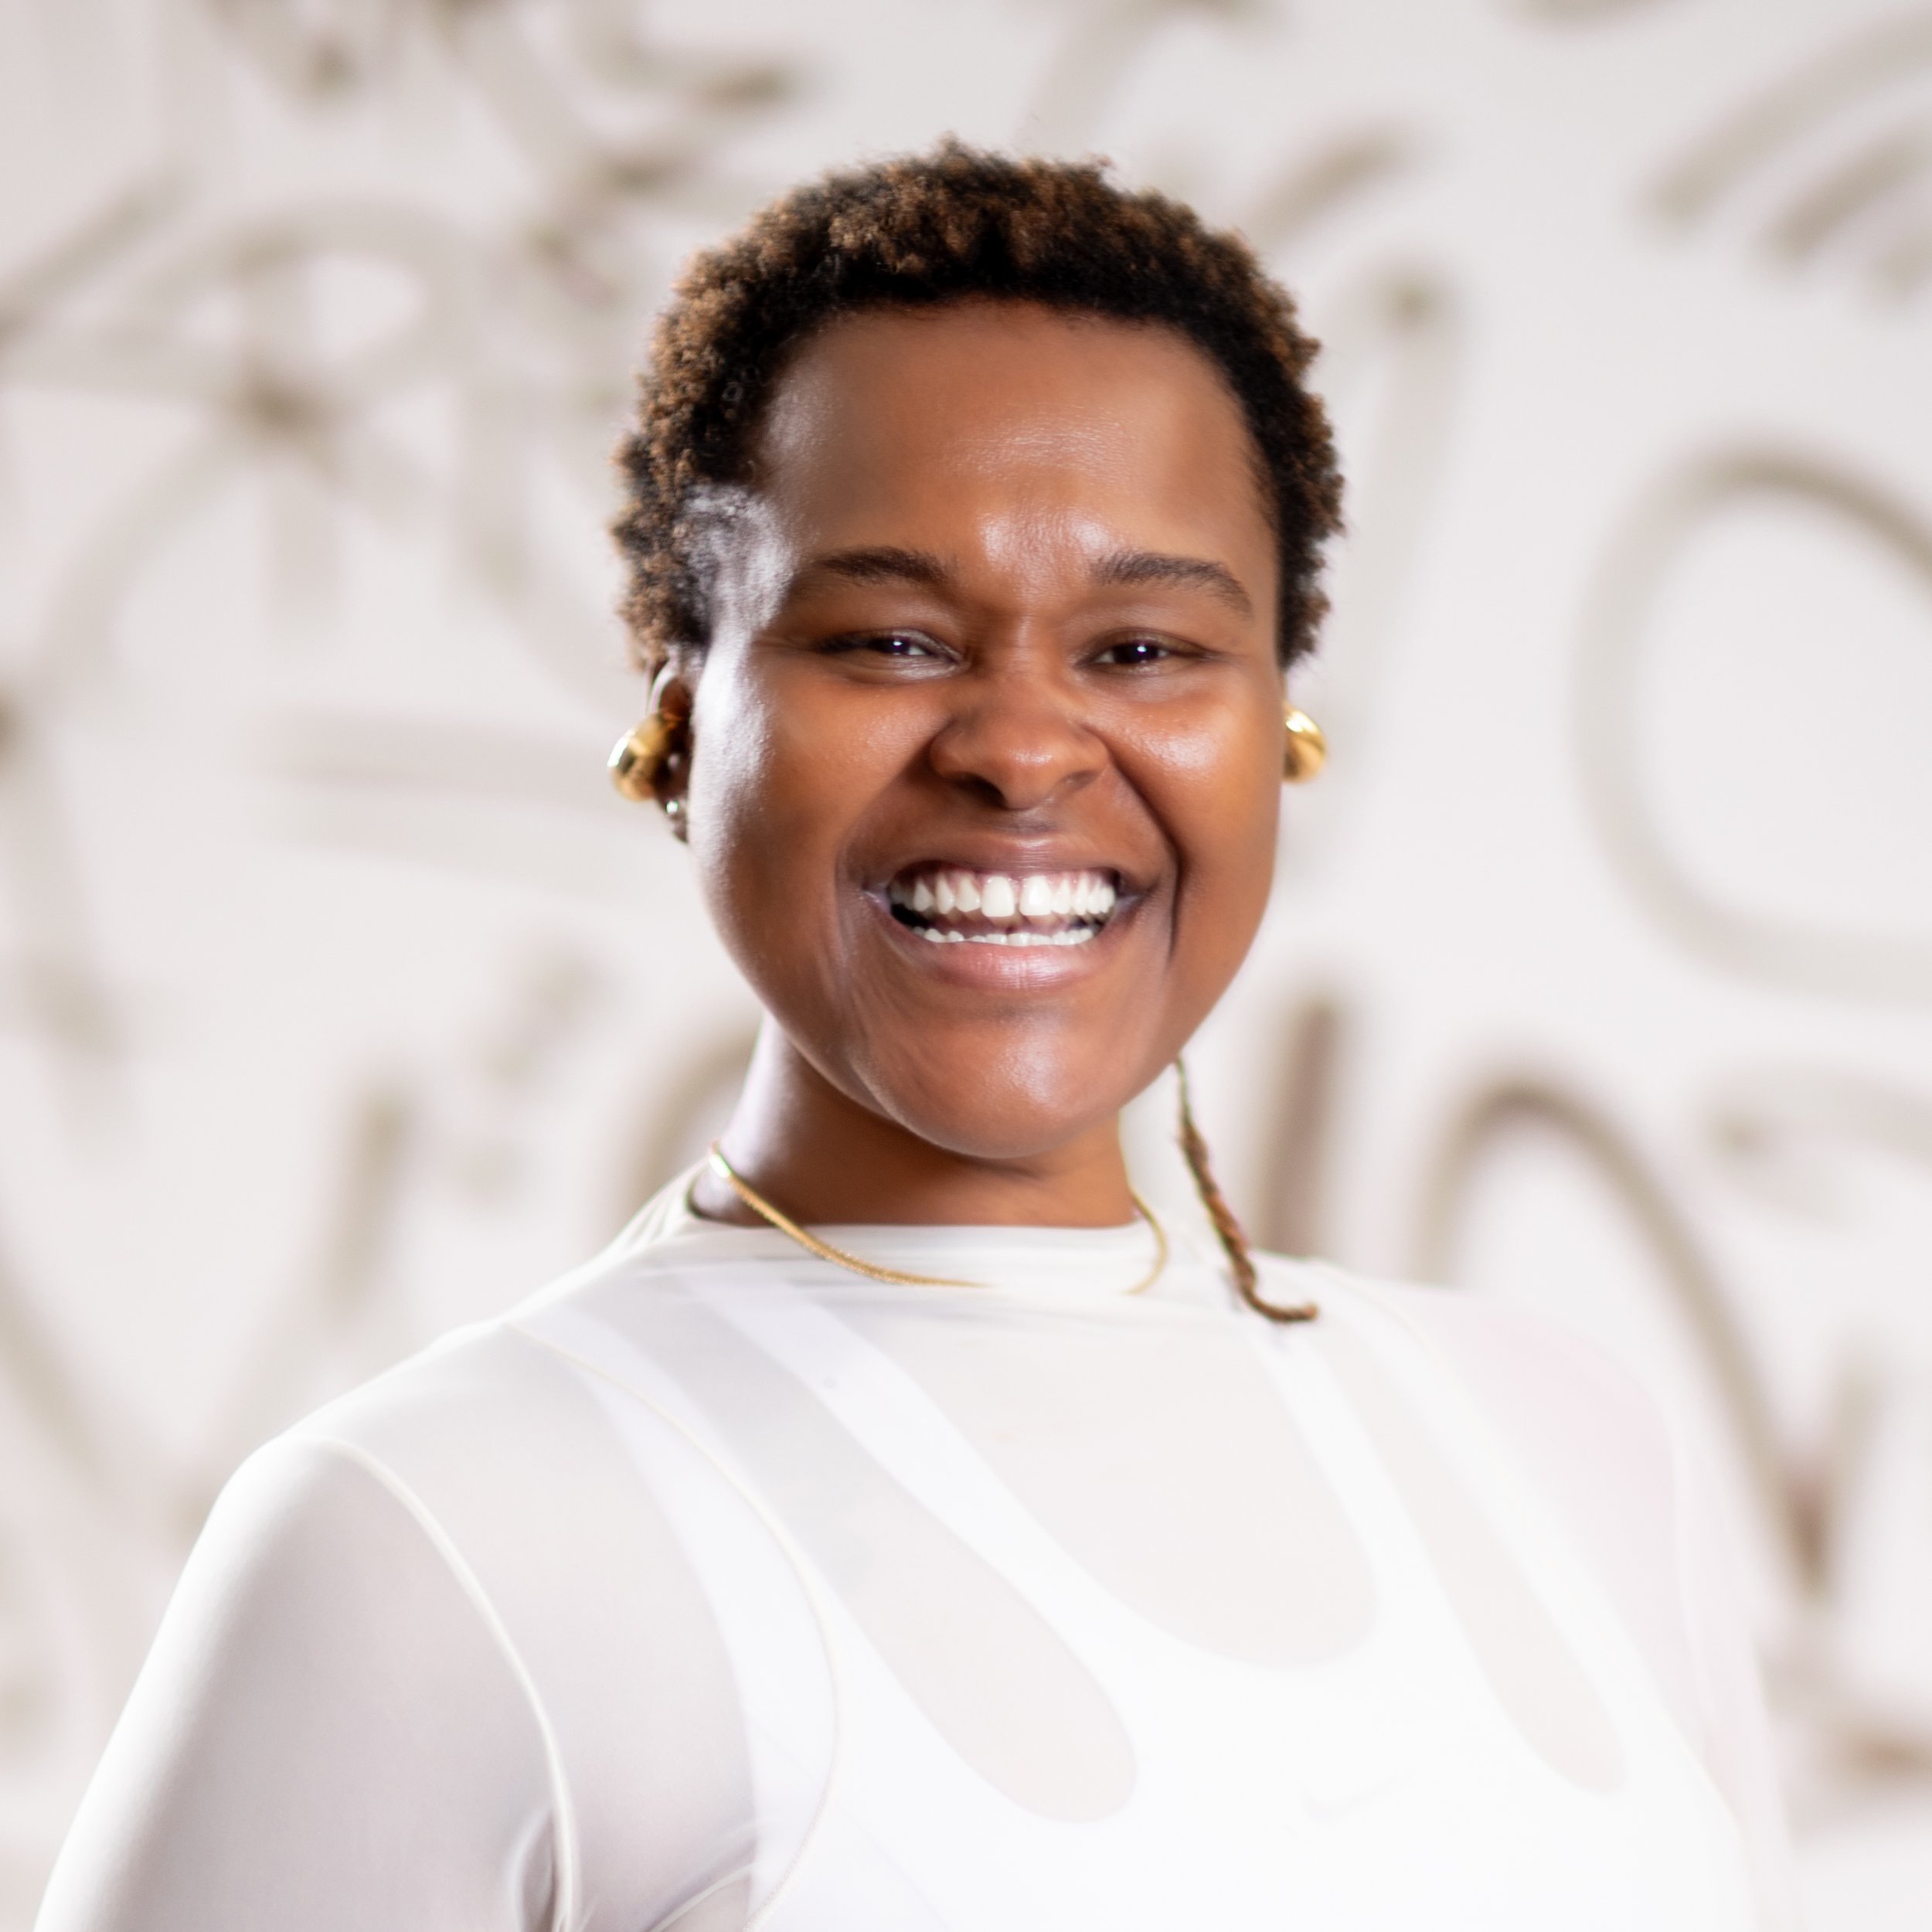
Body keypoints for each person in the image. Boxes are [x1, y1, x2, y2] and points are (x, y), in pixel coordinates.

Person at [36, 144, 1791, 1931]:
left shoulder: (1578, 1452)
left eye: (1142, 648)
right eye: (887, 638)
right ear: (678, 726)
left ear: (1280, 724)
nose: (1021, 750)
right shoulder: (427, 1537)